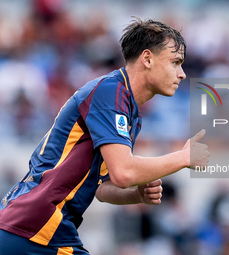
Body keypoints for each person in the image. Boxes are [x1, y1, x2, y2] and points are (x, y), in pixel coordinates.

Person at [0, 17, 209, 254]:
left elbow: (100, 188)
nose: (181, 74)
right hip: (36, 227)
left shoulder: (127, 109)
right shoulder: (111, 93)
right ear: (148, 58)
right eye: (175, 62)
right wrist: (183, 158)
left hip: (28, 227)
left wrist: (135, 194)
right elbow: (124, 172)